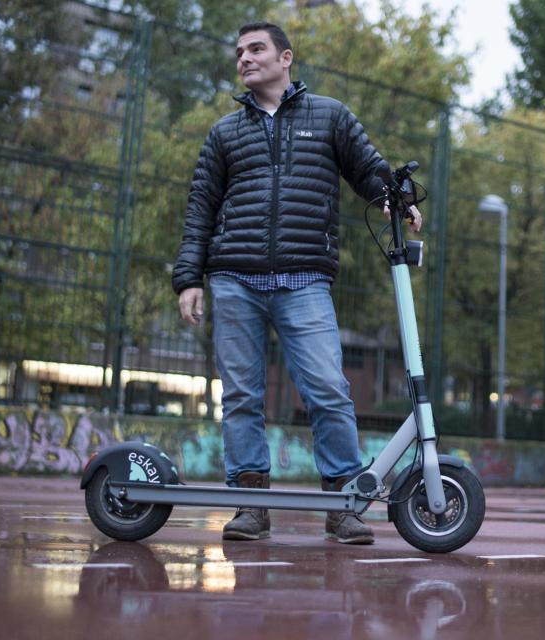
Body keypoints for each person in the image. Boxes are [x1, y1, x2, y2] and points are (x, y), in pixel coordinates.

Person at [172, 21, 421, 544]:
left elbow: (367, 170)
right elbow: (201, 208)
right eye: (239, 51)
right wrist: (188, 278)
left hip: (305, 278)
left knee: (328, 391)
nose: (245, 58)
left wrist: (397, 198)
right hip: (233, 279)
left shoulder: (329, 116)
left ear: (286, 58)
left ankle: (343, 505)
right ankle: (251, 507)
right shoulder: (223, 132)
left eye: (256, 49)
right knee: (241, 396)